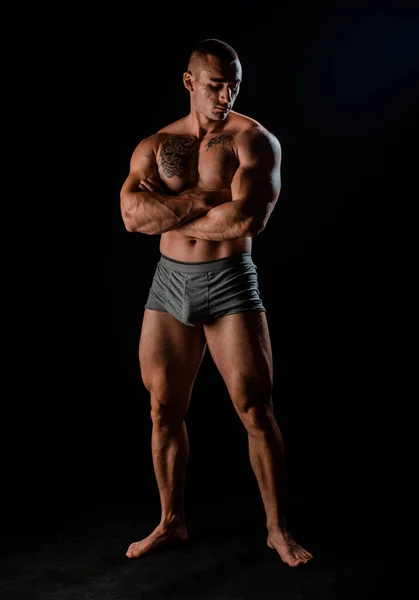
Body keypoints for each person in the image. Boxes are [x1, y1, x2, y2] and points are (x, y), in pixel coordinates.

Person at [120, 38, 313, 567]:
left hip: (230, 280)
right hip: (168, 283)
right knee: (163, 409)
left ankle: (277, 529)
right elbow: (133, 217)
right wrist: (206, 199)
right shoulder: (156, 144)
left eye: (233, 85)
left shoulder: (253, 141)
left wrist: (171, 208)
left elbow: (245, 221)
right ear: (189, 82)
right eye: (214, 85)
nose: (225, 94)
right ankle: (171, 522)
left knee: (255, 408)